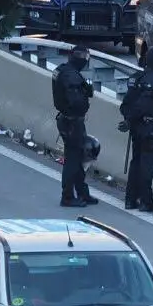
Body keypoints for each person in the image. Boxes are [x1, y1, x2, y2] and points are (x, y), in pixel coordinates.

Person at [119, 52, 153, 211]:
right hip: (148, 126)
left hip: (136, 126)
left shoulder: (137, 77)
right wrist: (131, 118)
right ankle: (146, 201)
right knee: (147, 165)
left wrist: (129, 119)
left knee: (136, 162)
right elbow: (144, 104)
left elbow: (126, 104)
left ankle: (130, 199)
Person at [53, 45, 98, 207]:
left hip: (67, 120)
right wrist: (84, 93)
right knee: (73, 159)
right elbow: (76, 101)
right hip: (72, 122)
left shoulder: (62, 70)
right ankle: (67, 196)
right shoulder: (72, 77)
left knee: (79, 157)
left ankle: (82, 193)